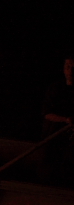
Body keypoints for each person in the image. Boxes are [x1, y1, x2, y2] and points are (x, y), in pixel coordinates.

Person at [40, 56, 74, 184]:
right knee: (49, 166)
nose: (71, 71)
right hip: (53, 136)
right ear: (64, 69)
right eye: (68, 67)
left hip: (70, 140)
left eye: (73, 67)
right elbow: (46, 113)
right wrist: (66, 119)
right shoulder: (56, 89)